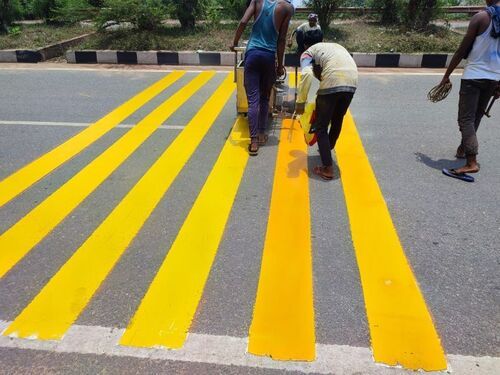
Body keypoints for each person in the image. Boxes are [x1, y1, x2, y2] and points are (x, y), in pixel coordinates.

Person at [439, 0, 500, 178]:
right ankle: (463, 148)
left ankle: (471, 162)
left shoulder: (481, 17)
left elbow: (461, 50)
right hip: (494, 77)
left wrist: (446, 75)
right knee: (477, 115)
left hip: (474, 75)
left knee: (465, 119)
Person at [230, 0, 294, 156]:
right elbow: (282, 39)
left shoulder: (257, 1)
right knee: (265, 98)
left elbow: (244, 21)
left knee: (253, 101)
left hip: (252, 55)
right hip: (269, 57)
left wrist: (234, 42)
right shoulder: (286, 8)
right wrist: (279, 66)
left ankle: (253, 142)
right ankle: (261, 134)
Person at [295, 42, 358, 180]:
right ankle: (327, 149)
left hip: (333, 79)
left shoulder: (307, 54)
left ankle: (327, 168)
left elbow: (306, 74)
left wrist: (300, 103)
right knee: (337, 118)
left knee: (321, 126)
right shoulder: (332, 48)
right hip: (352, 80)